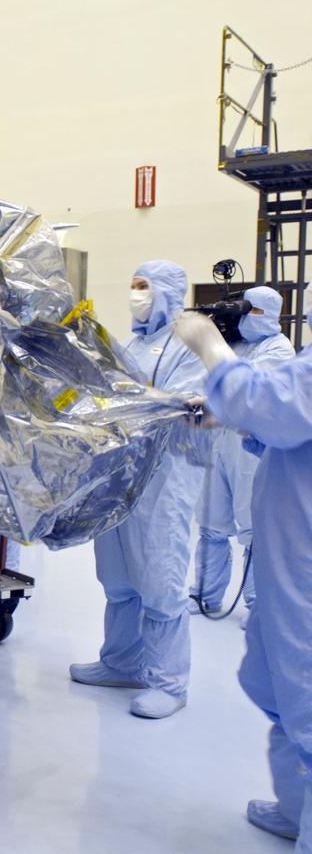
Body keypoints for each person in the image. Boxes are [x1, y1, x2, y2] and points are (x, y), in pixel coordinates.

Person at [175, 308, 312, 847]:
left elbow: (277, 409)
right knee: (277, 681)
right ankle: (298, 807)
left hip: (303, 564)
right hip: (289, 553)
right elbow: (291, 427)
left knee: (304, 690)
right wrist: (233, 417)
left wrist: (209, 344)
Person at [69, 261, 205, 719]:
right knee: (118, 574)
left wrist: (122, 403)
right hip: (123, 476)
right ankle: (122, 662)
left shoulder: (190, 343)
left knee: (159, 574)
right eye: (132, 286)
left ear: (168, 292)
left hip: (165, 476)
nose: (136, 295)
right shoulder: (135, 343)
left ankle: (168, 683)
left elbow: (183, 405)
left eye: (144, 287)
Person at [191, 286, 294, 616]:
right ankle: (205, 594)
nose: (244, 316)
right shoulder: (236, 343)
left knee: (252, 531)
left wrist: (214, 346)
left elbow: (245, 385)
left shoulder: (278, 349)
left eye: (251, 310)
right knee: (211, 524)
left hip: (249, 450)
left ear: (268, 313)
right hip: (216, 443)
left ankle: (259, 604)